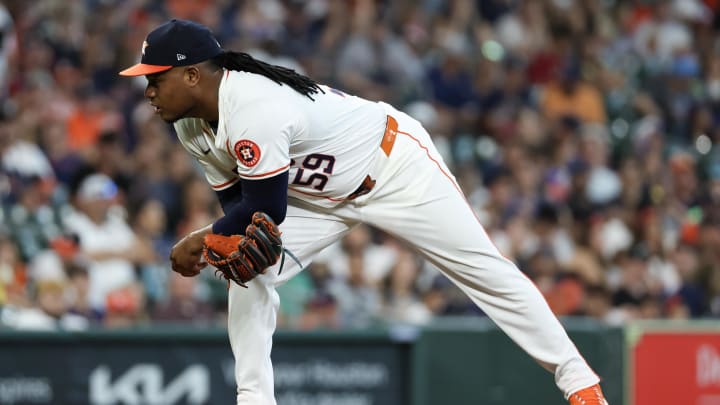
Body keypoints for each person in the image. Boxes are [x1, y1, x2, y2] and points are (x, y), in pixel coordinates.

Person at [119, 19, 609, 405]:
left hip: (393, 167)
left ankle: (581, 385)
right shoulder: (190, 126)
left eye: (155, 80)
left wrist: (201, 238)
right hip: (316, 197)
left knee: (483, 269)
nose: (149, 93)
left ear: (191, 74)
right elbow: (243, 208)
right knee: (248, 269)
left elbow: (266, 205)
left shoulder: (251, 106)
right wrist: (221, 238)